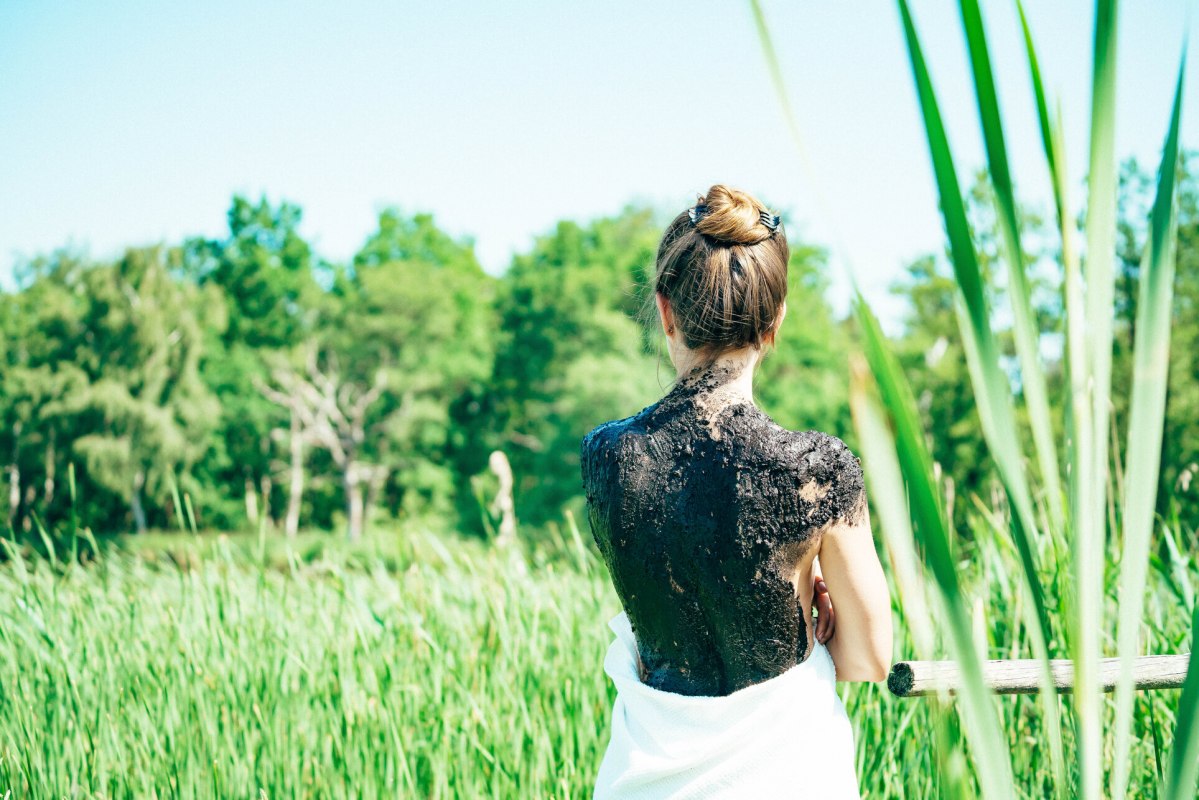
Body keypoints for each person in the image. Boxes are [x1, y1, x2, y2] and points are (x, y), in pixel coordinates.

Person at [580, 185, 892, 799]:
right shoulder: (819, 471)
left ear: (666, 312)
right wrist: (812, 603)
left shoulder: (606, 456)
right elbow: (869, 661)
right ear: (774, 321)